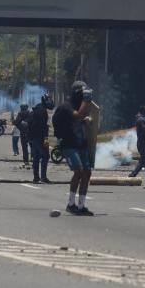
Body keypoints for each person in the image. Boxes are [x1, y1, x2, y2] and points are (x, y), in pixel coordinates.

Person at [52, 81, 96, 215]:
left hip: (81, 144)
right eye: (82, 95)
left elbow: (81, 119)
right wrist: (86, 101)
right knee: (79, 171)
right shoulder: (67, 106)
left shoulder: (80, 107)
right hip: (69, 144)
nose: (84, 98)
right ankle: (71, 204)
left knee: (87, 173)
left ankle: (81, 205)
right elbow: (77, 115)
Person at [29, 92, 54, 184]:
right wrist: (44, 138)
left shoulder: (38, 109)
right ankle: (43, 177)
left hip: (35, 137)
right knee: (46, 156)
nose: (51, 102)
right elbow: (41, 126)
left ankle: (36, 177)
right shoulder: (42, 110)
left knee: (36, 157)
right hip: (42, 137)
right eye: (49, 100)